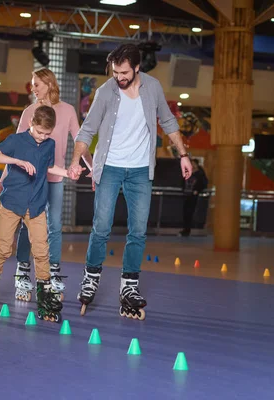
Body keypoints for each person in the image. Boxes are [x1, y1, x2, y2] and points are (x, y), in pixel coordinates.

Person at [67, 43, 193, 320]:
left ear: (137, 68)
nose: (119, 77)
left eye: (124, 72)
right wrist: (76, 161)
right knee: (101, 228)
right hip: (109, 168)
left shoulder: (153, 88)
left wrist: (183, 155)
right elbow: (86, 131)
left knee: (138, 231)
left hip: (140, 170)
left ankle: (129, 287)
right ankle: (90, 278)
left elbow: (169, 122)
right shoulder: (105, 92)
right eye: (115, 72)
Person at [0, 106, 83, 322]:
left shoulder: (49, 144)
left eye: (47, 133)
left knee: (42, 251)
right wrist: (17, 161)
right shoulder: (16, 140)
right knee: (4, 248)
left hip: (36, 204)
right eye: (39, 132)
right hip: (12, 203)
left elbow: (48, 167)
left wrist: (68, 172)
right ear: (30, 124)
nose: (43, 137)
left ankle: (44, 298)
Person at [2, 67, 93, 303]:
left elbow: (80, 142)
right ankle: (22, 269)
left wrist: (93, 169)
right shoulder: (29, 112)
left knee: (54, 225)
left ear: (49, 83)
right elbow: (16, 146)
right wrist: (4, 177)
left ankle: (52, 271)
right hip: (29, 178)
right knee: (26, 222)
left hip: (55, 177)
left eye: (36, 84)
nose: (33, 88)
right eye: (32, 84)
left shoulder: (68, 111)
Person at [180, 159, 208, 237]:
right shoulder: (187, 172)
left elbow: (204, 183)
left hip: (194, 196)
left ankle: (187, 230)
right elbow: (183, 181)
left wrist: (197, 190)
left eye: (193, 164)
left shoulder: (200, 174)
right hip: (186, 194)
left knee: (190, 212)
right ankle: (185, 229)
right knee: (185, 212)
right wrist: (183, 189)